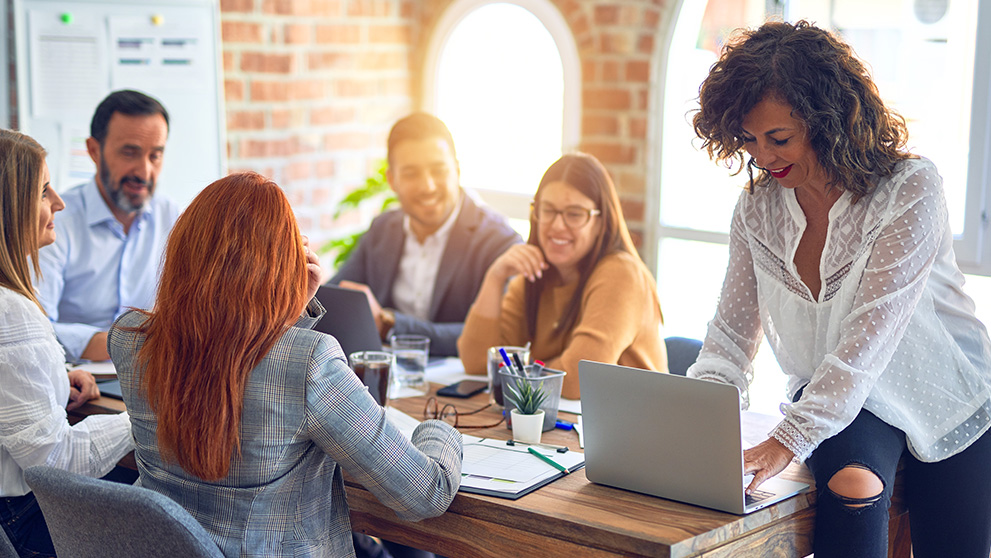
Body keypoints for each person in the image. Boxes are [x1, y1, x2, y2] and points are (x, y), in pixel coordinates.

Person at [688, 20, 991, 558]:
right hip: (842, 400)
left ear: (828, 121)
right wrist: (697, 423)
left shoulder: (911, 188)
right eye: (750, 139)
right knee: (854, 484)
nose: (763, 157)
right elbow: (730, 336)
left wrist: (785, 442)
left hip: (943, 395)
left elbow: (866, 342)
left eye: (779, 138)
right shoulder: (757, 209)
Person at [108, 172, 462, 558]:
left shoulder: (129, 339)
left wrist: (288, 312)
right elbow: (426, 493)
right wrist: (441, 429)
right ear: (280, 264)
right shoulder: (310, 362)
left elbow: (238, 360)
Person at [0, 129, 134, 557]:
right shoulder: (11, 314)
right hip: (22, 521)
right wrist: (148, 414)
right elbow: (57, 464)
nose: (58, 202)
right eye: (42, 191)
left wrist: (53, 380)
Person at [458, 152, 667, 400]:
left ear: (601, 222)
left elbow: (576, 381)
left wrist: (515, 373)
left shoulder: (622, 274)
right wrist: (495, 277)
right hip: (565, 424)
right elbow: (478, 364)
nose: (557, 225)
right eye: (548, 210)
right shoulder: (536, 272)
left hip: (631, 428)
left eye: (575, 214)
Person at [331, 112, 521, 357]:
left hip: (459, 386)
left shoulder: (499, 242)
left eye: (439, 171)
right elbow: (335, 296)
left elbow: (497, 336)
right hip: (387, 381)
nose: (428, 186)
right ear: (392, 180)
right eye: (411, 174)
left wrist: (389, 324)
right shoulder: (383, 229)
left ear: (457, 170)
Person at [36, 89, 179, 363]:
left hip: (153, 378)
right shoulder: (54, 222)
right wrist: (116, 343)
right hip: (78, 382)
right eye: (130, 153)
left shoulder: (171, 217)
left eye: (155, 156)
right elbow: (36, 328)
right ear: (93, 150)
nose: (144, 172)